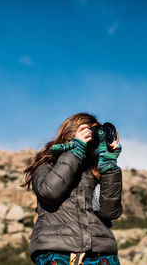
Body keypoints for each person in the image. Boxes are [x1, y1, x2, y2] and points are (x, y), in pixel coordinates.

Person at [21, 112, 123, 265]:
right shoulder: (46, 164)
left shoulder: (96, 169)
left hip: (101, 255)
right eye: (88, 131)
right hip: (58, 253)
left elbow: (110, 212)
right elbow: (49, 192)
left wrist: (109, 166)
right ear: (72, 132)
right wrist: (75, 151)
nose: (93, 137)